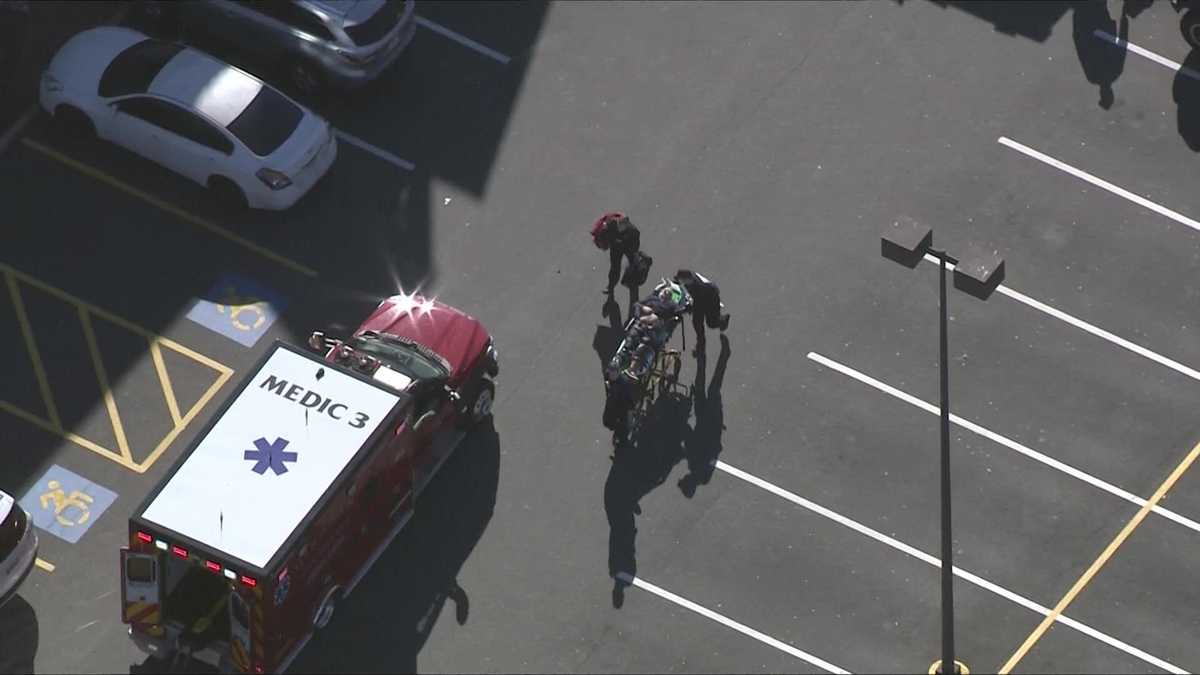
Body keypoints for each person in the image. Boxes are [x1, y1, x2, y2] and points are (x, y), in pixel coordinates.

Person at [673, 269, 729, 354]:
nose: (682, 282)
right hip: (699, 300)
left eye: (684, 280)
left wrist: (686, 308)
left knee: (711, 323)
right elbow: (677, 284)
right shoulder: (686, 279)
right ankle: (701, 343)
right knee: (697, 323)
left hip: (711, 299)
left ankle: (723, 321)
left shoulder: (699, 286)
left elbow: (697, 303)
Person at [591, 212, 643, 294]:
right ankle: (611, 286)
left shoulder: (621, 226)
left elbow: (635, 233)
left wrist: (632, 251)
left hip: (630, 241)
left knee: (633, 263)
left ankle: (634, 282)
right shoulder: (604, 228)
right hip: (617, 242)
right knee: (615, 267)